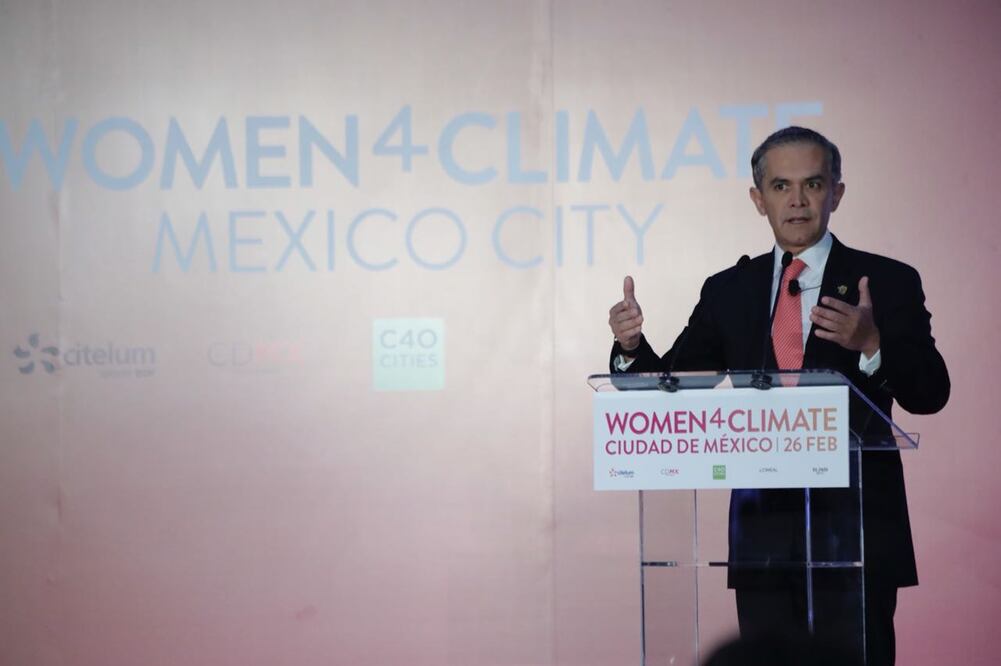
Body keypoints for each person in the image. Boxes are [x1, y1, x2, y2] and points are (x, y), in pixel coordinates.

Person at [607, 126, 949, 666]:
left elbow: (930, 393)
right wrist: (630, 348)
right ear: (757, 198)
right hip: (764, 531)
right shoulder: (729, 290)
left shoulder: (885, 281)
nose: (797, 200)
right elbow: (673, 386)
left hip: (855, 528)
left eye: (813, 184)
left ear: (836, 193)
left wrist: (872, 344)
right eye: (781, 186)